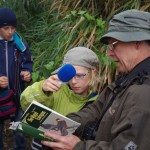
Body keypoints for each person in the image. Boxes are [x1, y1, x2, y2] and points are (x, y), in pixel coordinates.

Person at [40, 9, 150, 150]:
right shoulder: (127, 78)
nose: (109, 53)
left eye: (114, 45)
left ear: (137, 42)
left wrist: (78, 147)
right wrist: (62, 125)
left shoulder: (144, 93)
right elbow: (96, 110)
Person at [20, 46, 101, 149]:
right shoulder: (56, 89)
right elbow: (25, 103)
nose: (73, 81)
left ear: (94, 72)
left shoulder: (99, 103)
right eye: (70, 76)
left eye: (80, 75)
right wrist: (42, 89)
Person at [0, 8, 33, 150]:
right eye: (6, 28)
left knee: (19, 130)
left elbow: (28, 63)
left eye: (13, 28)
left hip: (17, 96)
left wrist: (27, 73)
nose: (10, 32)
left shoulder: (22, 47)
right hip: (0, 98)